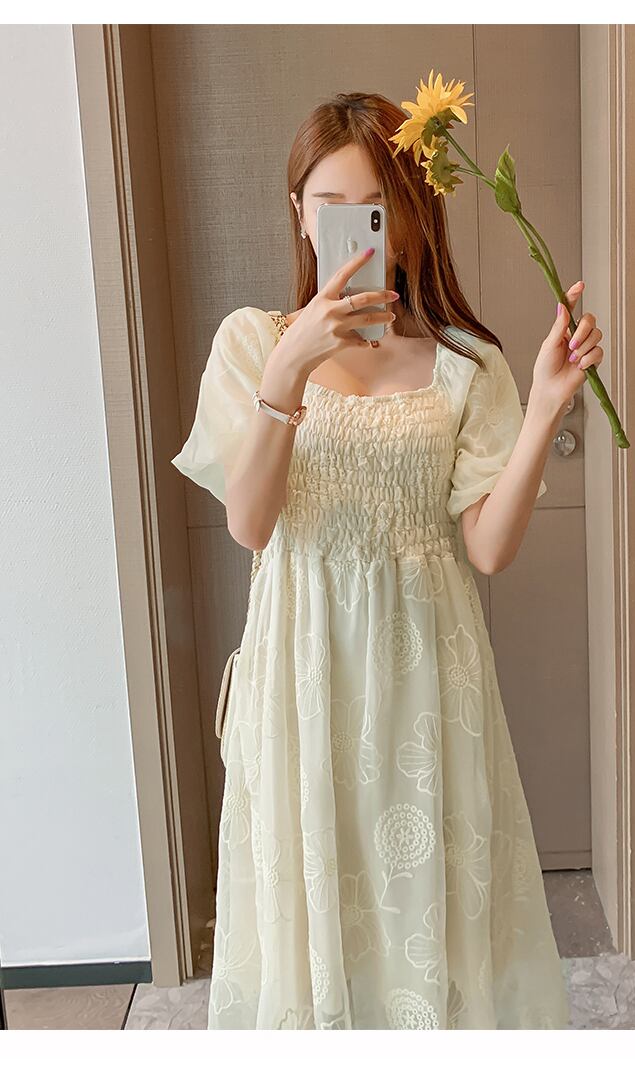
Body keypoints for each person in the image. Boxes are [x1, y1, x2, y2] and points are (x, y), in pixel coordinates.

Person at [171, 91, 604, 1030]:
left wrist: (543, 408)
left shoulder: (464, 363)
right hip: (302, 678)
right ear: (298, 213)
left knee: (429, 912)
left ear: (412, 219)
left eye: (376, 208)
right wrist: (289, 372)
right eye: (328, 206)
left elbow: (488, 547)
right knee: (311, 913)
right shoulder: (252, 344)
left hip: (428, 678)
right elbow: (251, 524)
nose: (353, 230)